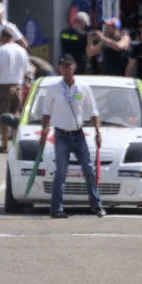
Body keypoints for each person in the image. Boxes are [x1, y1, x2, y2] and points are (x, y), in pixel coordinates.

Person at [37, 54, 105, 219]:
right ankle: (56, 208)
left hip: (79, 135)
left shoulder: (83, 88)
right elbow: (46, 113)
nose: (66, 69)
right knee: (61, 172)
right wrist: (43, 133)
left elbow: (93, 111)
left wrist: (98, 131)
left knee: (89, 169)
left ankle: (96, 205)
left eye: (69, 66)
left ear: (74, 67)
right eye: (63, 66)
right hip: (61, 135)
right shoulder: (52, 89)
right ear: (59, 69)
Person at [0, 25, 30, 154]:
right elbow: (27, 72)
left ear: (2, 37)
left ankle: (4, 144)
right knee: (16, 117)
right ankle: (16, 144)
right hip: (18, 86)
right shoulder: (22, 51)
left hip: (3, 87)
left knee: (3, 117)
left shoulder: (1, 50)